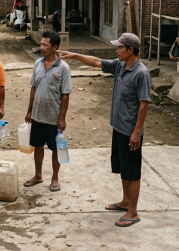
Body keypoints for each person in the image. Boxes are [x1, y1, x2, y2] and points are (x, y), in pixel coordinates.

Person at [59, 33, 151, 227]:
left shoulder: (141, 73)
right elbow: (96, 62)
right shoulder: (120, 66)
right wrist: (74, 55)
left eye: (120, 48)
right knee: (123, 168)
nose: (116, 51)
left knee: (132, 171)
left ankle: (133, 211)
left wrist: (137, 132)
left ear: (130, 50)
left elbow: (144, 104)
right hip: (118, 127)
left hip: (130, 131)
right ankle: (126, 201)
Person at [23, 30, 71, 192]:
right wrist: (29, 111)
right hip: (37, 115)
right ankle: (38, 175)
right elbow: (33, 88)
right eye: (41, 44)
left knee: (55, 148)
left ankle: (55, 178)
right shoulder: (38, 63)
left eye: (45, 45)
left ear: (55, 47)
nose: (42, 47)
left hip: (53, 117)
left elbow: (65, 94)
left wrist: (62, 118)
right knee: (38, 146)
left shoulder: (63, 68)